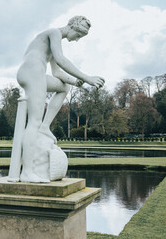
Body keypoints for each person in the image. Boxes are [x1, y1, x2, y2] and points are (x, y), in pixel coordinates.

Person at [16, 16, 104, 182]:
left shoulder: (53, 42)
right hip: (31, 72)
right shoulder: (54, 33)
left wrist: (76, 82)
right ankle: (27, 172)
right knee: (33, 122)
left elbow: (57, 72)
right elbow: (62, 60)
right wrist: (87, 78)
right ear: (71, 27)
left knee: (64, 87)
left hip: (37, 73)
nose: (76, 40)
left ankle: (45, 126)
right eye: (78, 35)